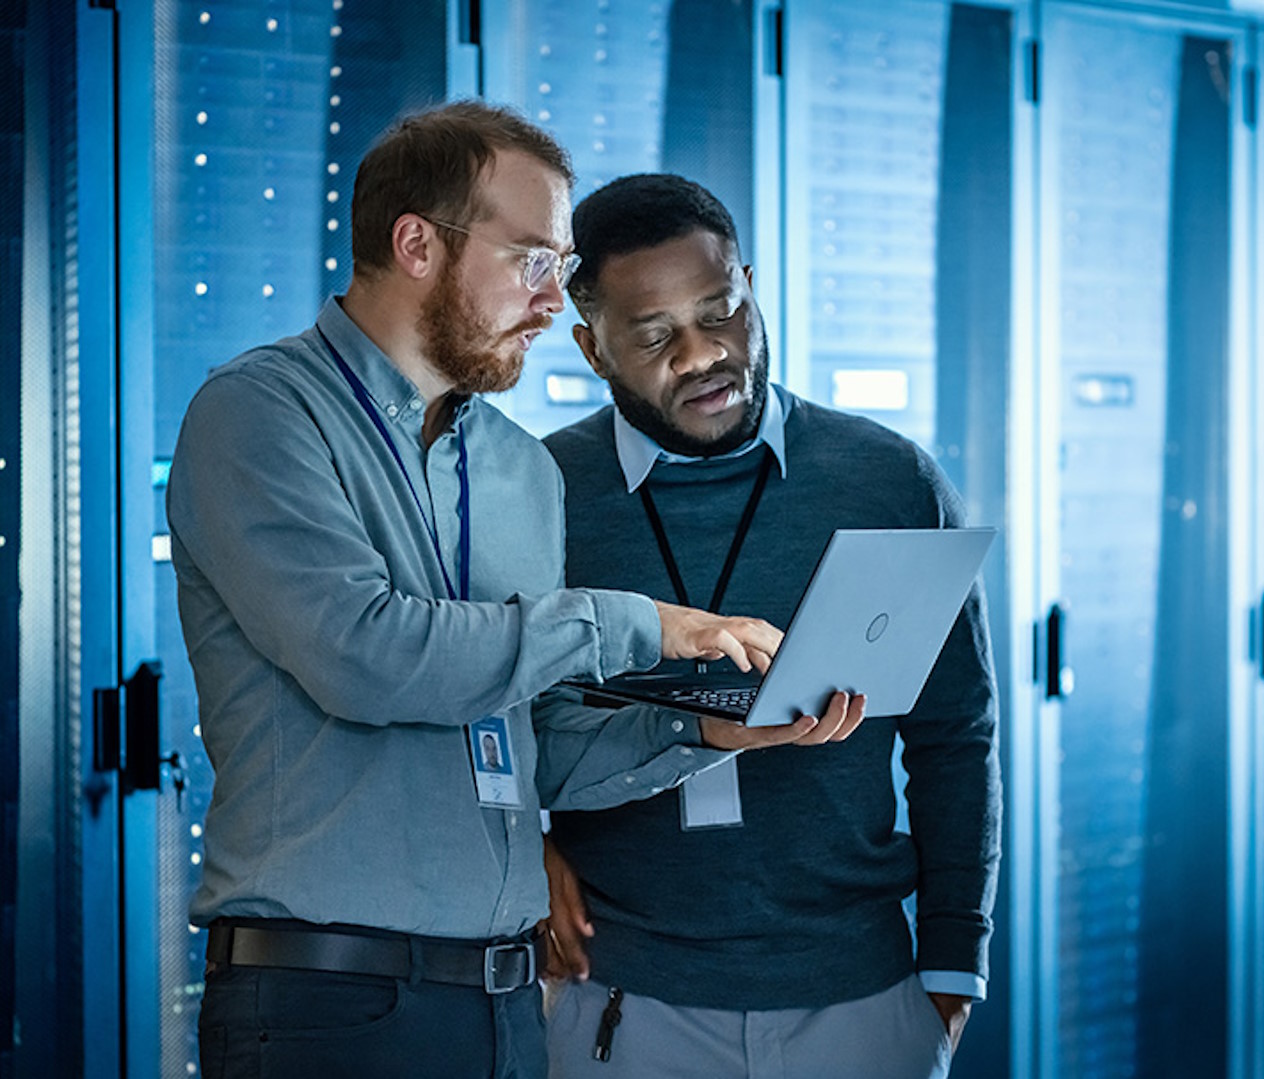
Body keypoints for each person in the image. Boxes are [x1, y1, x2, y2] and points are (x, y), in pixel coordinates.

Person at [167, 105, 866, 1079]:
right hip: (328, 1001)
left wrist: (708, 732)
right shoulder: (260, 414)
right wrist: (641, 623)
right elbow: (366, 655)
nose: (553, 301)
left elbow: (537, 743)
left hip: (506, 1004)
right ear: (417, 242)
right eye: (533, 259)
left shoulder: (517, 469)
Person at [537, 174, 1001, 1079]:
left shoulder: (887, 479)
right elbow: (489, 722)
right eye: (655, 335)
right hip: (624, 1004)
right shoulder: (543, 498)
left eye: (722, 311)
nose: (705, 354)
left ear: (750, 284)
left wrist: (951, 969)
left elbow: (957, 737)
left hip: (861, 1001)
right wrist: (529, 851)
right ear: (594, 350)